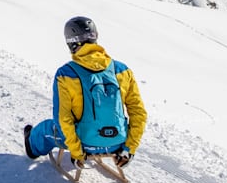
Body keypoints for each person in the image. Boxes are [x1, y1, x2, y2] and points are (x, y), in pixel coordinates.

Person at [24, 16, 147, 168]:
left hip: (85, 144)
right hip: (118, 143)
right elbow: (139, 112)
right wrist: (129, 149)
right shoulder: (122, 70)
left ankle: (32, 146)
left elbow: (63, 118)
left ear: (71, 42)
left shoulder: (65, 74)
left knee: (46, 128)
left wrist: (77, 152)